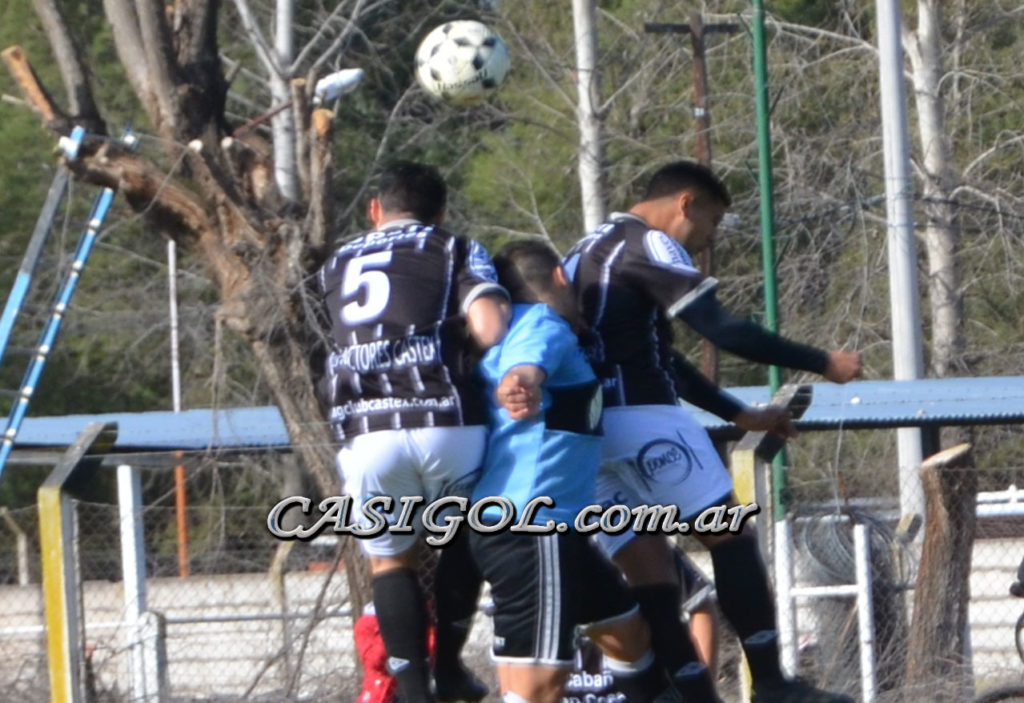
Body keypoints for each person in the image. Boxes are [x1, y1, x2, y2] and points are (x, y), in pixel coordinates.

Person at [564, 160, 862, 703]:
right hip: (644, 419)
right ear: (685, 203)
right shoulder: (648, 243)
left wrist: (737, 414)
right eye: (713, 221)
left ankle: (688, 696)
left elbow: (659, 355)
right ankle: (771, 682)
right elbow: (722, 329)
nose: (710, 239)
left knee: (650, 568)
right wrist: (823, 361)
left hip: (585, 437)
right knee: (730, 535)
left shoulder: (583, 252)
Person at [317, 161, 509, 703]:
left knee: (389, 561)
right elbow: (490, 328)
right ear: (440, 214)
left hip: (367, 429)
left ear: (374, 210)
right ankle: (448, 666)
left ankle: (413, 691)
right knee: (464, 536)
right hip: (444, 418)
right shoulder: (454, 247)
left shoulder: (336, 263)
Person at [468, 240, 670, 703]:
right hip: (534, 526)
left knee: (627, 634)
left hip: (549, 527)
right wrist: (521, 382)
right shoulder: (541, 322)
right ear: (561, 276)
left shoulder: (508, 332)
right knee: (541, 687)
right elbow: (527, 366)